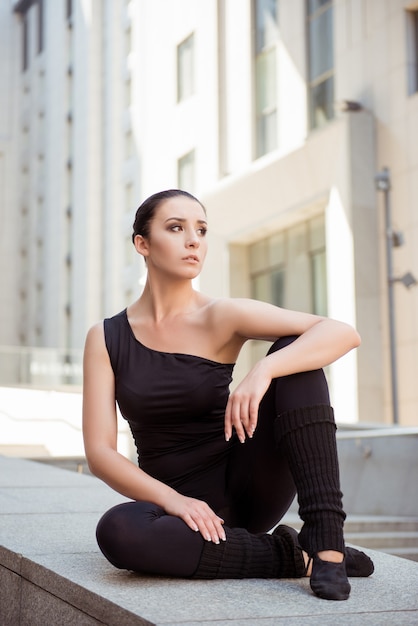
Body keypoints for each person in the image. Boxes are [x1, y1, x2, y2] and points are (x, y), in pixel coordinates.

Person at [82, 189, 374, 602]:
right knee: (117, 531)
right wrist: (175, 501)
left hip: (249, 486)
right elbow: (99, 453)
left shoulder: (220, 315)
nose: (193, 240)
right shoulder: (106, 337)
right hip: (177, 510)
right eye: (176, 228)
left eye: (200, 229)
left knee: (296, 357)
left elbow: (342, 332)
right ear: (142, 244)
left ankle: (326, 540)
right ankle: (291, 555)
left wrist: (264, 369)